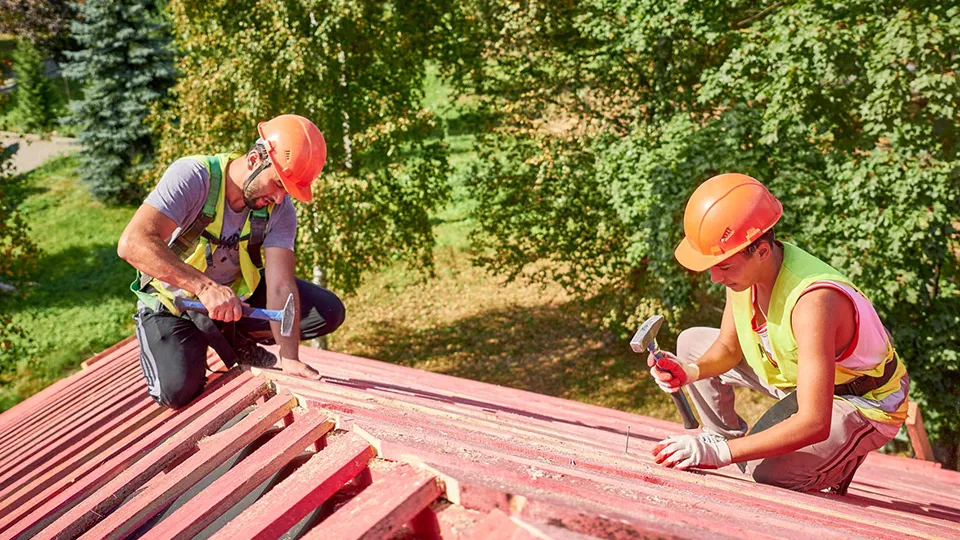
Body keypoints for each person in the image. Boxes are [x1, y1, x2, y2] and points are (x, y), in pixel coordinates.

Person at [648, 173, 908, 493]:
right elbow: (728, 348)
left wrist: (722, 456)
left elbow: (814, 421)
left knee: (769, 474)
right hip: (801, 382)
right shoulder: (745, 275)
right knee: (691, 342)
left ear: (761, 251)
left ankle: (839, 461)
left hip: (862, 400)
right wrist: (688, 372)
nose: (715, 277)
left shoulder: (814, 301)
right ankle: (720, 435)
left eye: (724, 266)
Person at [118, 114, 345, 409]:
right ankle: (202, 335)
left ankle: (233, 335)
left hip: (234, 301)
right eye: (278, 184)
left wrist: (289, 357)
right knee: (176, 391)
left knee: (326, 311)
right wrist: (203, 287)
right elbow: (132, 243)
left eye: (287, 191)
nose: (279, 198)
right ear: (254, 159)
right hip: (174, 302)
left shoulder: (279, 208)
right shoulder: (194, 177)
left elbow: (280, 285)